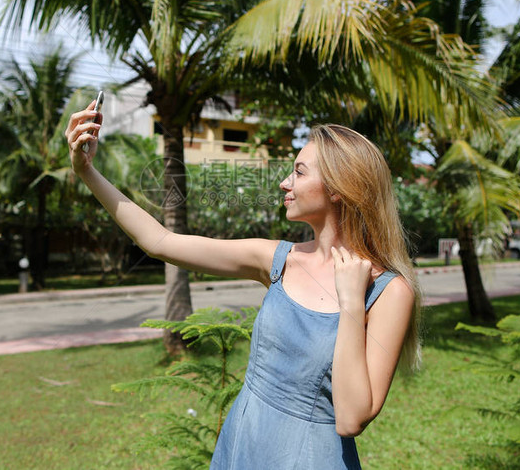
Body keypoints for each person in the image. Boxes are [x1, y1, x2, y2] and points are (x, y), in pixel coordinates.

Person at [65, 100, 421, 470]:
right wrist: (86, 170)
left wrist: (350, 303)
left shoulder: (389, 291)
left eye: (299, 172)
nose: (285, 182)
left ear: (337, 188)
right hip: (242, 446)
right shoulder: (277, 259)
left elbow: (351, 419)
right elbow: (160, 243)